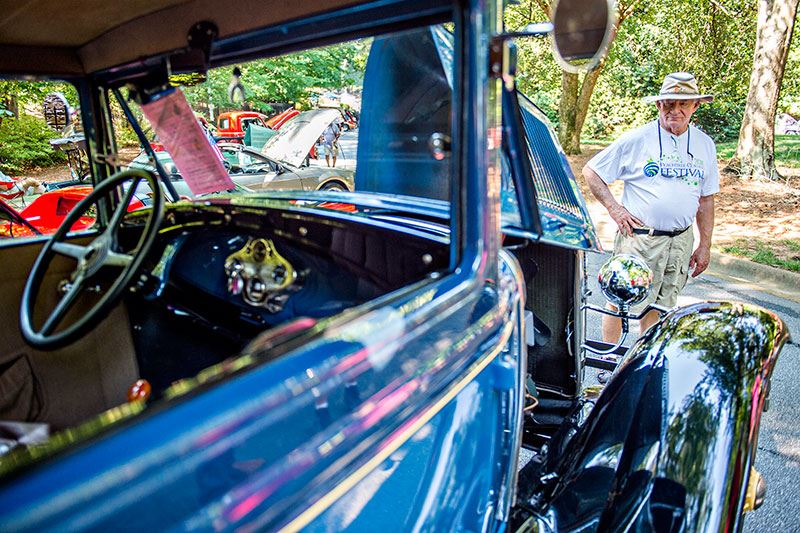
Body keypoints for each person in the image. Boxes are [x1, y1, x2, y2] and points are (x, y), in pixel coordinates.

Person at [582, 72, 718, 342]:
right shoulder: (638, 139)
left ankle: (643, 366)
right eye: (668, 103)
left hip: (679, 242)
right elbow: (591, 171)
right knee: (621, 300)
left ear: (695, 106)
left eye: (683, 104)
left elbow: (706, 199)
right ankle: (610, 364)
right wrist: (615, 210)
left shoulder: (705, 145)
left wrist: (705, 244)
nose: (674, 111)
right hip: (641, 240)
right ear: (659, 105)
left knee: (661, 306)